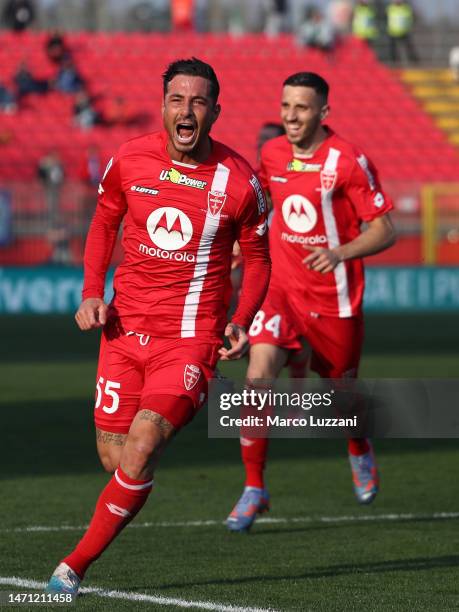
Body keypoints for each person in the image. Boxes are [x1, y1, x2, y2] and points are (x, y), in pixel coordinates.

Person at [46, 57, 271, 594]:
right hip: (122, 333)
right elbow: (104, 223)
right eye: (177, 99)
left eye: (198, 101)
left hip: (191, 338)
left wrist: (241, 320)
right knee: (116, 458)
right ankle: (139, 473)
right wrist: (90, 294)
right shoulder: (129, 159)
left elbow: (259, 260)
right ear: (164, 105)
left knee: (142, 446)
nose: (186, 110)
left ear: (214, 111)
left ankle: (70, 568)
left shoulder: (240, 182)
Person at [226, 71, 396, 532]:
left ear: (323, 113)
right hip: (280, 290)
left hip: (334, 299)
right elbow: (261, 204)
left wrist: (339, 252)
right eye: (286, 107)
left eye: (301, 108)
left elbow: (384, 229)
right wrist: (243, 245)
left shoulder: (347, 161)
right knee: (258, 376)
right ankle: (254, 486)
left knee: (342, 398)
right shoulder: (272, 152)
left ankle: (358, 447)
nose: (291, 116)